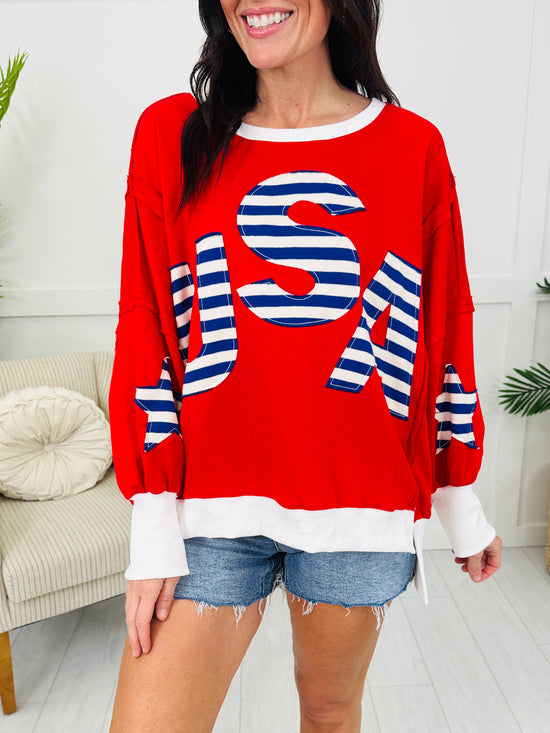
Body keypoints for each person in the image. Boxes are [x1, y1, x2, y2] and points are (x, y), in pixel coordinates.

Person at [108, 1, 503, 730]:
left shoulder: (412, 147)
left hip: (360, 503)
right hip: (206, 507)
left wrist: (458, 499)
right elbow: (146, 325)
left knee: (328, 711)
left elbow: (443, 322)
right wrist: (153, 522)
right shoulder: (172, 135)